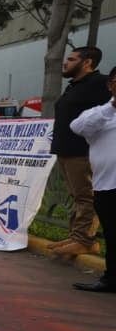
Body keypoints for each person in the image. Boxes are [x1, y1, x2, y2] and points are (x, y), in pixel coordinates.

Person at [51, 46, 109, 257]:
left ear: (87, 62)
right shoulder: (74, 86)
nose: (65, 63)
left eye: (71, 59)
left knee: (87, 197)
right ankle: (76, 236)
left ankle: (85, 240)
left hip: (83, 152)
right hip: (66, 151)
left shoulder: (100, 83)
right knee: (77, 196)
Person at [69, 68, 116, 292]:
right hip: (108, 187)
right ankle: (112, 280)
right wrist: (112, 106)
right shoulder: (101, 114)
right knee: (113, 236)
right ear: (110, 85)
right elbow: (77, 127)